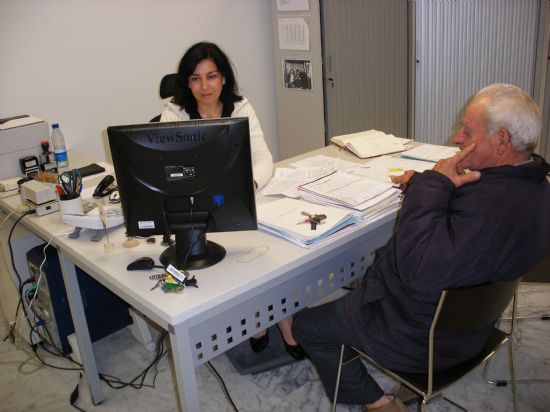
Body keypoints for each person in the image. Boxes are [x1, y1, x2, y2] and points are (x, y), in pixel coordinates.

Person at [292, 83, 550, 412]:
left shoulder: (484, 213)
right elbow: (470, 228)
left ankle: (378, 404)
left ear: (501, 140)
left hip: (422, 338)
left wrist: (434, 183)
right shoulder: (536, 189)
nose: (457, 138)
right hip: (476, 326)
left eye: (467, 130)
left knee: (307, 326)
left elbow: (416, 267)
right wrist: (426, 184)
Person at [160, 41, 305, 360]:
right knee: (240, 261)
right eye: (195, 79)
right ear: (187, 82)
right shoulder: (174, 113)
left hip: (243, 197)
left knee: (268, 253)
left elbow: (264, 157)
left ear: (224, 78)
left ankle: (283, 317)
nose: (204, 86)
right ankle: (256, 316)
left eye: (211, 76)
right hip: (197, 205)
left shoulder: (240, 107)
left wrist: (249, 183)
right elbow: (164, 167)